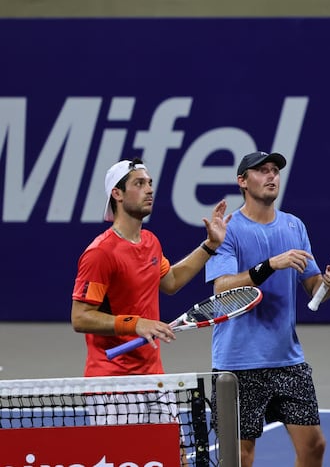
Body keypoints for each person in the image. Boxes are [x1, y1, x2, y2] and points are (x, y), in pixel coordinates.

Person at [204, 151, 330, 467]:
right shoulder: (228, 230)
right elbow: (222, 287)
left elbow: (314, 291)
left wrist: (329, 283)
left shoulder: (294, 226)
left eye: (275, 171)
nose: (271, 176)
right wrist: (269, 265)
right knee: (240, 456)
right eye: (262, 171)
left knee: (313, 447)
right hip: (237, 364)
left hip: (287, 360)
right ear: (242, 181)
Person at [71, 157, 230, 378]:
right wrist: (135, 324)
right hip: (113, 381)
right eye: (139, 184)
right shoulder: (100, 253)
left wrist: (210, 245)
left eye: (149, 183)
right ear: (117, 194)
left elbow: (172, 281)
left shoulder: (150, 242)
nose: (149, 190)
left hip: (154, 376)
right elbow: (81, 318)